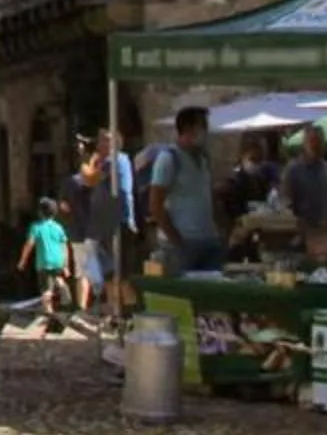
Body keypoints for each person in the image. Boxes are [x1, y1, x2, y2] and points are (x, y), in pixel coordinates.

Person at [149, 107, 224, 275]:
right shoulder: (168, 159)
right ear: (188, 129)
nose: (205, 131)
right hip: (182, 243)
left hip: (209, 240)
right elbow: (155, 205)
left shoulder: (204, 158)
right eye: (202, 126)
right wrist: (176, 241)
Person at [76, 129, 136, 321]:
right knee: (111, 274)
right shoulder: (111, 161)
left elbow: (90, 178)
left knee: (121, 274)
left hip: (115, 225)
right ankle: (115, 314)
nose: (99, 144)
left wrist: (85, 158)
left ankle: (129, 315)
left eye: (103, 141)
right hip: (107, 226)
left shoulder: (114, 160)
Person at [15, 197, 75, 327]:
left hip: (44, 262)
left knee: (46, 289)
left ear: (40, 212)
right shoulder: (59, 227)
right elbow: (64, 246)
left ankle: (49, 316)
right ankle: (64, 290)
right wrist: (66, 265)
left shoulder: (36, 227)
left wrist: (22, 260)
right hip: (58, 260)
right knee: (58, 278)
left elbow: (29, 244)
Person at [283, 124, 327, 255]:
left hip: (325, 234)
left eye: (319, 141)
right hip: (300, 234)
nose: (315, 145)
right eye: (312, 141)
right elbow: (286, 202)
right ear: (304, 144)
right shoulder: (293, 170)